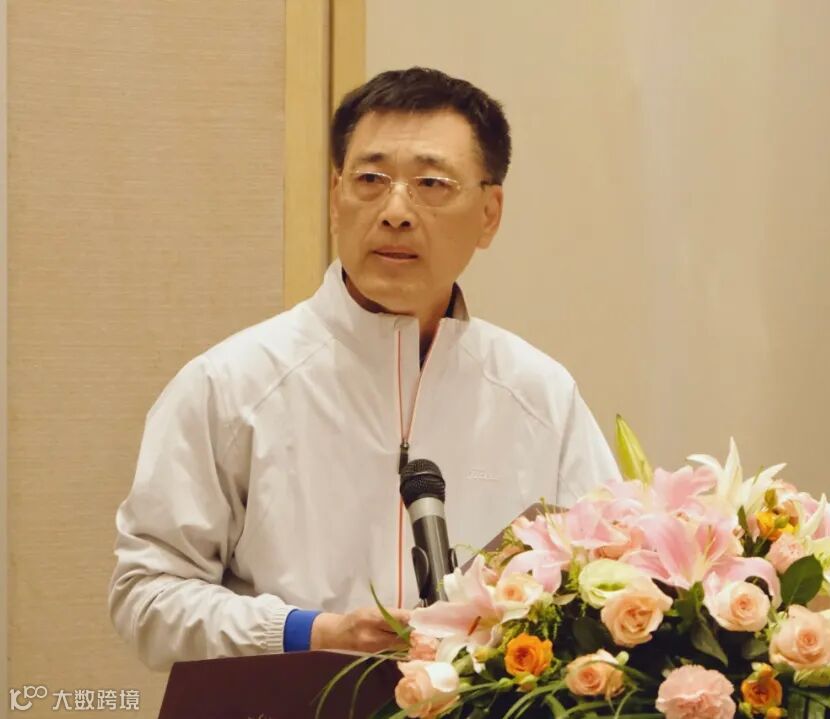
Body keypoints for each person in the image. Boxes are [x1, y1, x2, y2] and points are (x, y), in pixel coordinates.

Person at [107, 67, 619, 671]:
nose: (395, 210)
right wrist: (311, 632)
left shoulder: (540, 395)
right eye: (371, 180)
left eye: (432, 183)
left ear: (489, 213)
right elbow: (147, 599)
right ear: (336, 198)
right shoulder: (232, 385)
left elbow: (610, 581)